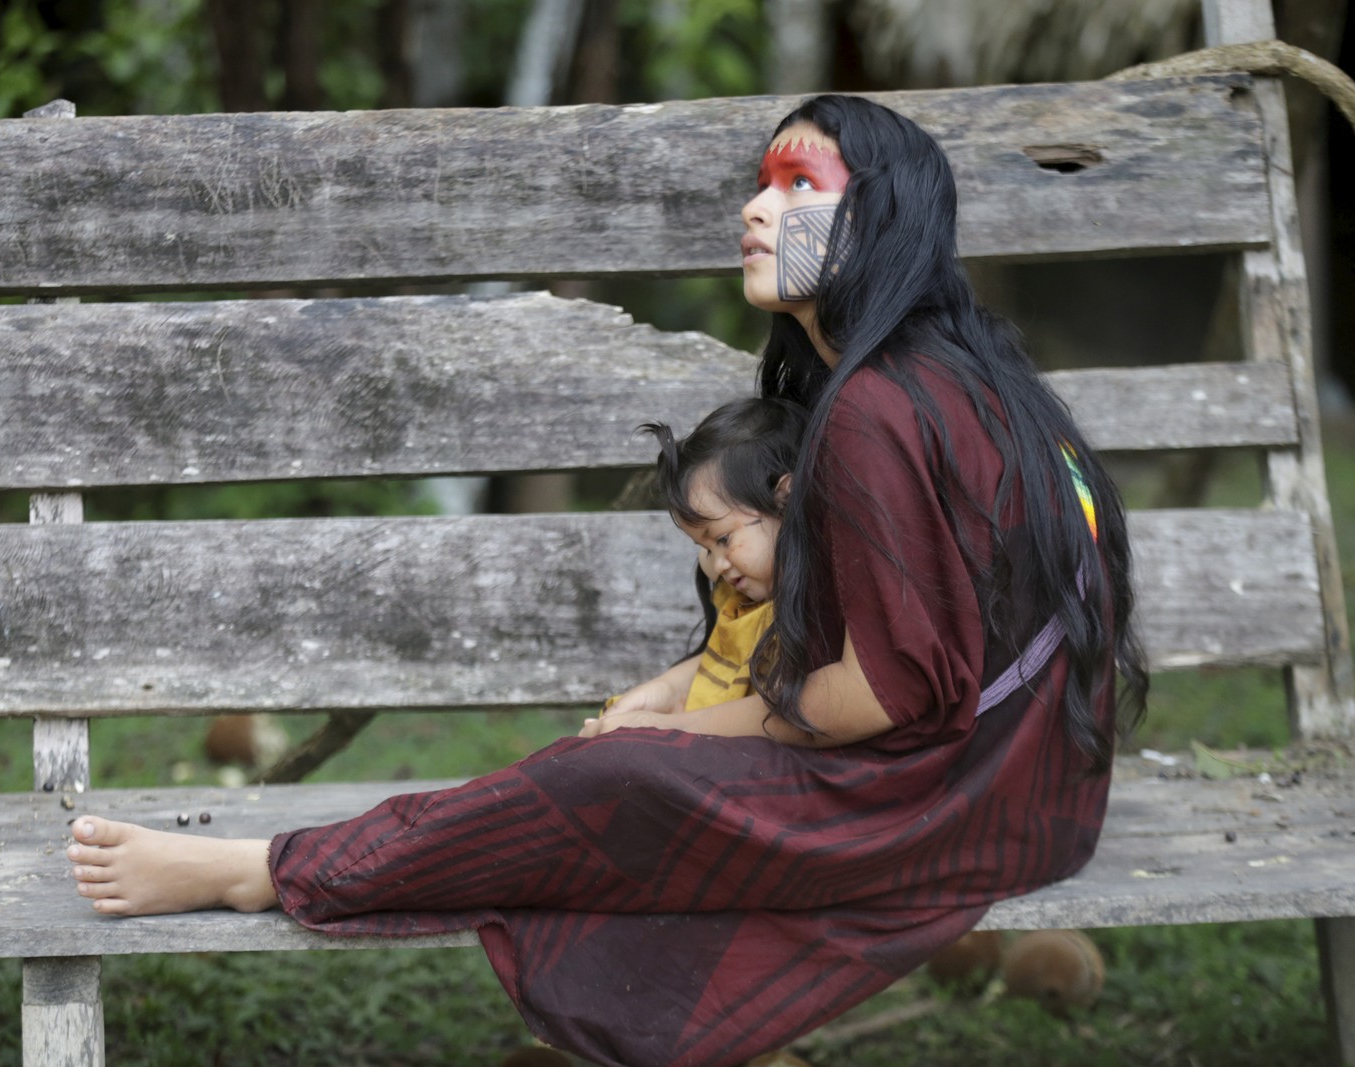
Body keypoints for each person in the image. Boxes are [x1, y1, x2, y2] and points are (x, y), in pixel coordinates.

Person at [66, 94, 1147, 1067]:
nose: (756, 208)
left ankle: (267, 866)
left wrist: (690, 735)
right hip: (1037, 805)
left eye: (797, 186)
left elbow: (879, 697)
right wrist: (691, 702)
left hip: (937, 810)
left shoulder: (876, 407)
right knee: (625, 767)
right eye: (762, 182)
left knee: (601, 781)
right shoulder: (960, 376)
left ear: (881, 222)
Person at [602, 396, 808, 722]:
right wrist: (665, 690)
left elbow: (782, 719)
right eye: (708, 549)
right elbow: (725, 656)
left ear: (786, 500)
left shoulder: (813, 613)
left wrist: (667, 728)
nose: (717, 565)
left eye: (724, 539)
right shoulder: (741, 602)